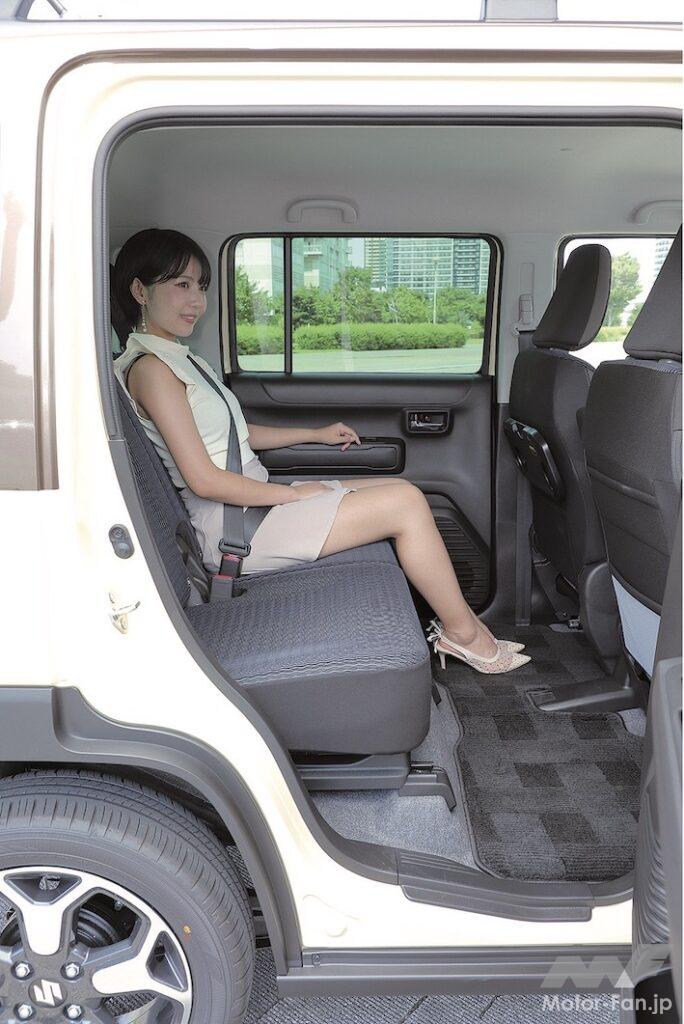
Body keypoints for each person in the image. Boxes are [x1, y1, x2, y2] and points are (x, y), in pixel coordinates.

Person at [113, 228, 529, 674]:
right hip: (234, 529)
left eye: (201, 286)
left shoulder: (181, 359)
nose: (197, 300)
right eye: (181, 285)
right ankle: (463, 636)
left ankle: (465, 628)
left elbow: (233, 435)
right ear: (140, 290)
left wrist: (315, 433)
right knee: (406, 503)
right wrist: (292, 494)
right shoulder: (152, 370)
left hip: (250, 507)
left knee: (395, 485)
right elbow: (204, 479)